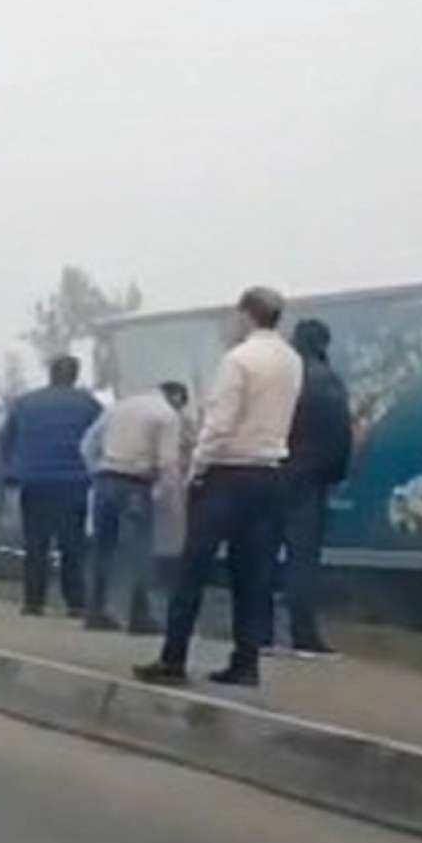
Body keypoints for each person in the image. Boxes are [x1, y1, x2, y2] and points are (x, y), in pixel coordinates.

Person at [136, 287, 302, 687]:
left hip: (228, 473)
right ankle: (246, 662)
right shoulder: (291, 360)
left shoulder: (238, 359)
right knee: (254, 574)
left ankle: (173, 657)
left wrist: (198, 467)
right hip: (270, 472)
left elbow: (220, 422)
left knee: (193, 568)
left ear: (246, 315)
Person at [264, 318, 352, 659]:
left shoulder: (276, 376)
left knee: (261, 556)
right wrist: (333, 475)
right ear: (322, 344)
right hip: (308, 481)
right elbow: (340, 434)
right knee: (302, 560)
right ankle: (303, 635)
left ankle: (260, 635)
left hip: (269, 474)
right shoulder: (328, 380)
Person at [80, 381, 189, 634]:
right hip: (136, 485)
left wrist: (96, 472)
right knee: (139, 550)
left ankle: (95, 610)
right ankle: (139, 616)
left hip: (106, 480)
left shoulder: (119, 407)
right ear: (176, 397)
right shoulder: (166, 415)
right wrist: (166, 497)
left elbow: (87, 444)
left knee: (102, 548)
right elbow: (169, 463)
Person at [0, 356, 102, 616]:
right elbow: (101, 440)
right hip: (74, 483)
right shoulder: (88, 405)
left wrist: (11, 474)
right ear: (75, 375)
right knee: (72, 546)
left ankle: (33, 602)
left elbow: (6, 440)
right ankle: (75, 603)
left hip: (34, 482)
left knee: (36, 544)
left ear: (50, 373)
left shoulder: (25, 403)